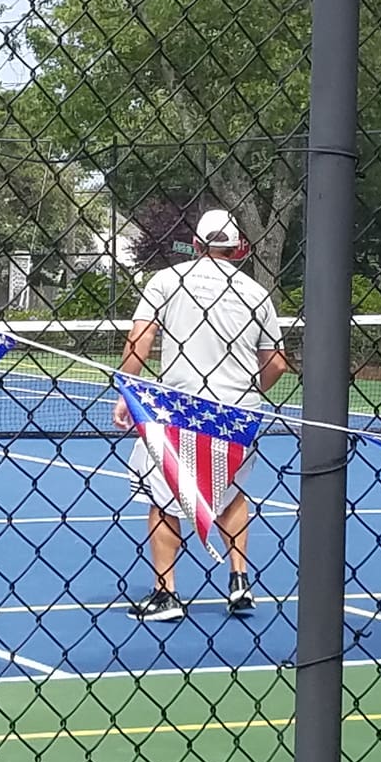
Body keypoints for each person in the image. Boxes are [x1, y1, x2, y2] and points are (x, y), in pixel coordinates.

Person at [111, 208, 286, 622]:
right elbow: (277, 362)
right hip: (239, 414)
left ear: (196, 244)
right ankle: (239, 581)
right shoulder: (254, 292)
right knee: (232, 494)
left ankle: (165, 592)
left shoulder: (166, 281)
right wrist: (245, 390)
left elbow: (142, 336)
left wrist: (126, 391)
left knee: (163, 497)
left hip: (181, 409)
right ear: (235, 246)